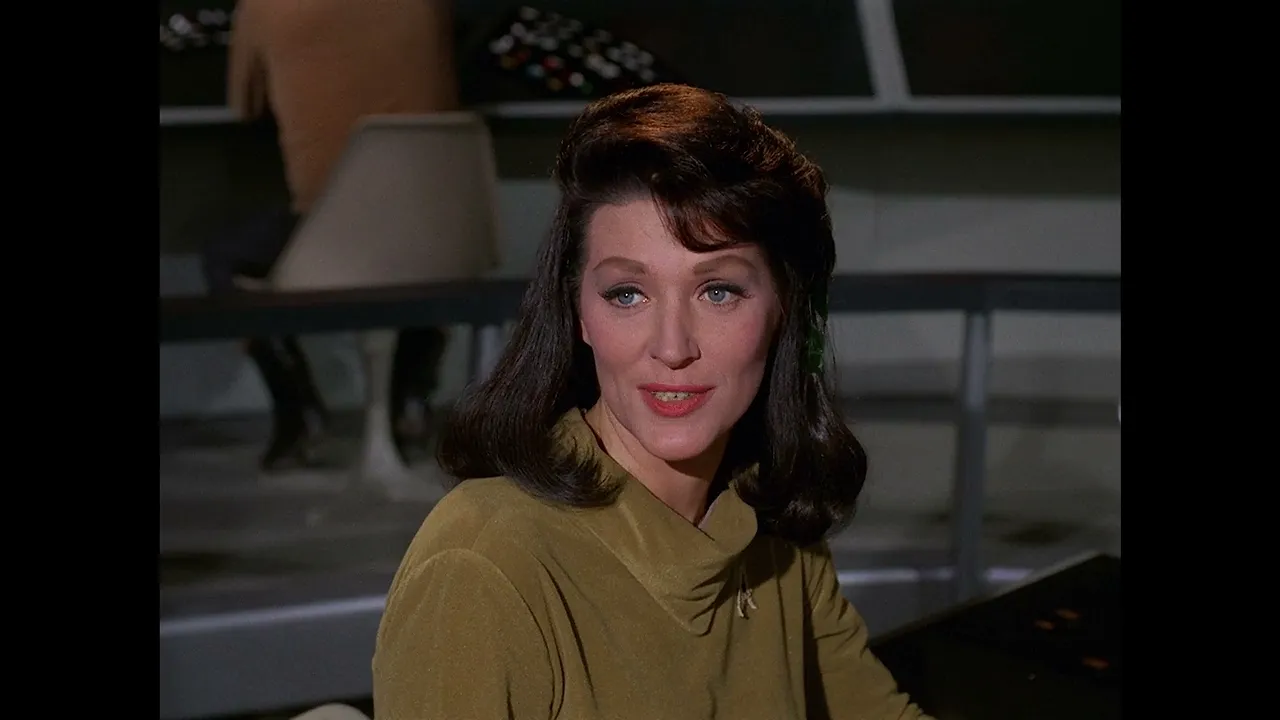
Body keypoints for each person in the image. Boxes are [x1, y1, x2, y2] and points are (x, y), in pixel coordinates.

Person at [371, 83, 931, 719]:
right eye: (627, 295)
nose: (672, 347)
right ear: (579, 314)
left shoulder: (770, 525)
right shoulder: (482, 562)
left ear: (784, 310)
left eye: (718, 291)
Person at [204, 0, 458, 471]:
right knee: (409, 260)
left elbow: (245, 105)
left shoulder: (265, 7)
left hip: (332, 233)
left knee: (225, 255)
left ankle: (299, 415)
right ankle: (409, 398)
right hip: (436, 235)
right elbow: (446, 92)